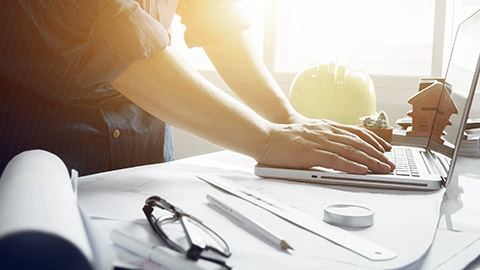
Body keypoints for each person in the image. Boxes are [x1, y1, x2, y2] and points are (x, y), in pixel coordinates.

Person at [0, 0, 394, 176]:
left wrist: (284, 117)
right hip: (40, 154)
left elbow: (214, 17)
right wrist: (268, 139)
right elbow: (119, 41)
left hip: (146, 150)